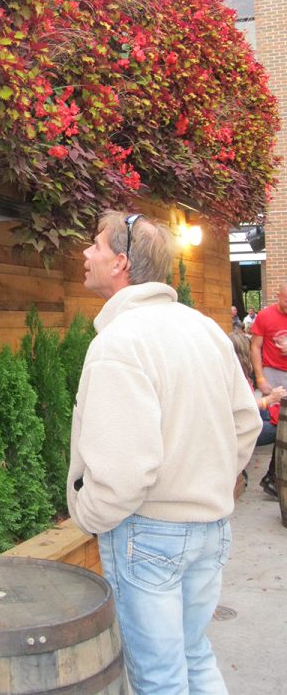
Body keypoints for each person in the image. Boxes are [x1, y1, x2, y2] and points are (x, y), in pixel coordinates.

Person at [67, 211, 262, 695]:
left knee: (159, 678)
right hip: (209, 528)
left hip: (146, 534)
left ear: (120, 263)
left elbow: (124, 470)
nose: (85, 254)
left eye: (95, 245)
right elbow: (247, 422)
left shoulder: (119, 342)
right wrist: (212, 482)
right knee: (194, 656)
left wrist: (89, 515)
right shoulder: (206, 330)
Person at [228, 329, 284, 496]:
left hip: (240, 423)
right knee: (281, 430)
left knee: (275, 418)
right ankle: (272, 478)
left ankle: (272, 478)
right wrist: (269, 399)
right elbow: (243, 407)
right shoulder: (236, 377)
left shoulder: (236, 373)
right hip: (238, 431)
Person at [250, 286, 287, 496]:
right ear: (278, 297)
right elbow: (255, 347)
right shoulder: (265, 316)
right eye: (286, 302)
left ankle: (273, 477)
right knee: (277, 424)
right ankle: (272, 478)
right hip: (272, 374)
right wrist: (261, 377)